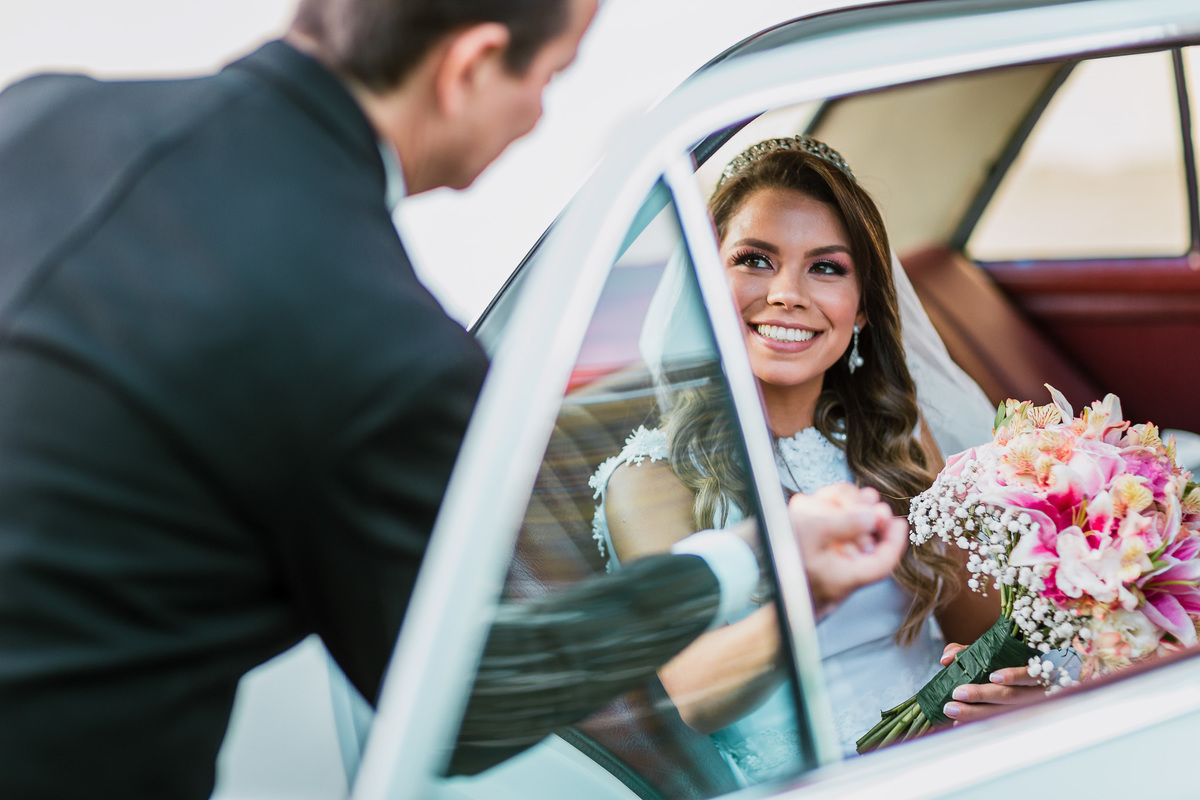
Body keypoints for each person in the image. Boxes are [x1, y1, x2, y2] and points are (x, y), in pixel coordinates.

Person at [0, 2, 912, 796]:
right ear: (470, 65)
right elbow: (463, 702)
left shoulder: (36, 114)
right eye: (549, 78)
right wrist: (747, 561)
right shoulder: (390, 349)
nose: (538, 112)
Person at [593, 136, 1044, 777]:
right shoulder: (652, 480)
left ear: (860, 310)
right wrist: (811, 592)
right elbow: (698, 695)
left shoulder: (898, 441)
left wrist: (1005, 686)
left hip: (950, 750)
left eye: (826, 267)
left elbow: (979, 628)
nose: (786, 294)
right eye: (754, 259)